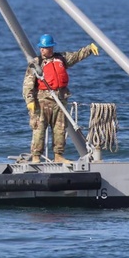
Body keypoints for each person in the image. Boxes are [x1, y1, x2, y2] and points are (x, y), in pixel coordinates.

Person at [22, 33, 99, 163]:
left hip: (60, 100)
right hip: (42, 101)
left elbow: (76, 56)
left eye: (51, 47)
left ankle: (58, 155)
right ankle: (36, 157)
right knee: (39, 129)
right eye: (47, 48)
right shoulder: (36, 63)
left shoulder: (61, 58)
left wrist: (89, 49)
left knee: (60, 129)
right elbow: (27, 84)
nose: (50, 50)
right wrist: (30, 101)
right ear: (41, 49)